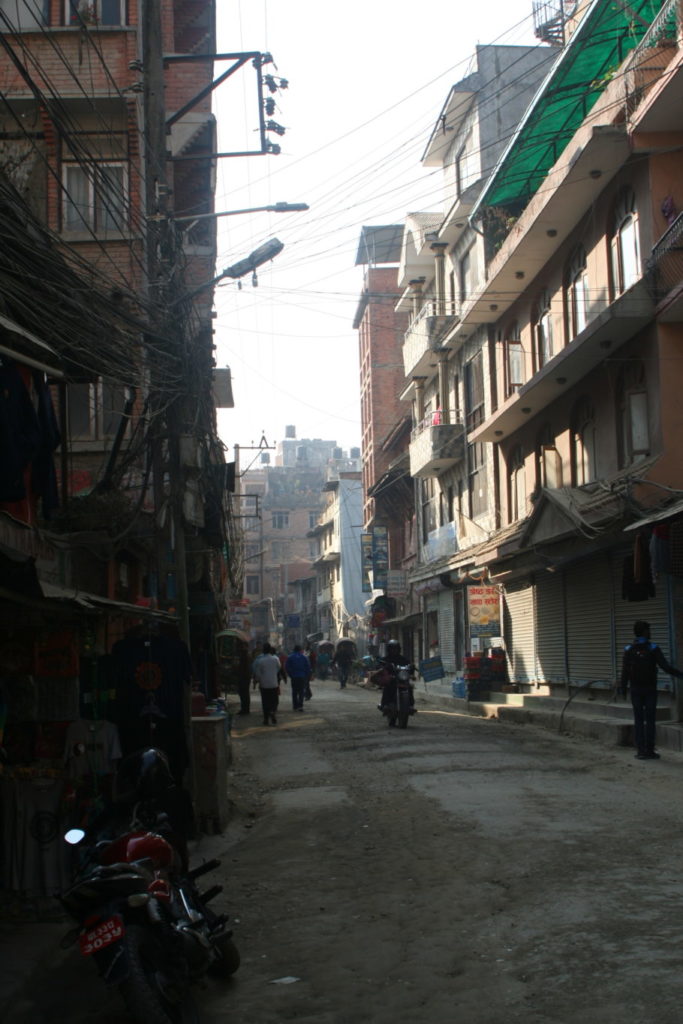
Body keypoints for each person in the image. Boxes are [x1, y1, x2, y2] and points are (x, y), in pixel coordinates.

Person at [620, 620, 683, 760]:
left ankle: (640, 751)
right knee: (650, 719)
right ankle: (649, 750)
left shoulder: (629, 649)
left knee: (638, 719)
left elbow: (625, 672)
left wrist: (622, 689)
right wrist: (680, 675)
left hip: (635, 690)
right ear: (644, 632)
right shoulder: (653, 648)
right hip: (650, 690)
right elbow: (666, 667)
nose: (650, 632)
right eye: (648, 630)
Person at [252, 643, 283, 726]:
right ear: (270, 650)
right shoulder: (275, 659)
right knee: (274, 700)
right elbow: (279, 667)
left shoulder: (260, 661)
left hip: (264, 685)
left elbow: (258, 674)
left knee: (265, 701)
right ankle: (272, 711)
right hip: (274, 684)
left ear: (263, 651)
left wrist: (257, 681)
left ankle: (266, 719)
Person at [285, 645, 311, 712]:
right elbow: (308, 667)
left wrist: (291, 674)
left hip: (294, 677)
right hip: (302, 677)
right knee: (301, 692)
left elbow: (287, 667)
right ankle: (300, 706)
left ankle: (295, 706)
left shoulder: (290, 657)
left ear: (294, 650)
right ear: (300, 650)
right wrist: (306, 676)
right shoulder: (304, 657)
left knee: (294, 692)